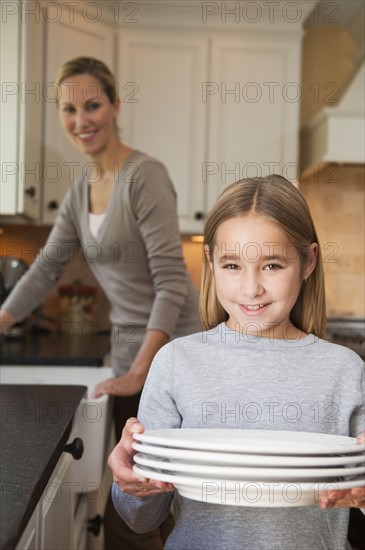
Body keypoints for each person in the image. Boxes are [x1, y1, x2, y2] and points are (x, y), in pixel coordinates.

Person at [0, 57, 201, 549]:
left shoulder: (144, 176)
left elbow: (171, 281)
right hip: (130, 354)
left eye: (92, 105)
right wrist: (1, 319)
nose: (81, 119)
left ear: (114, 105)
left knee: (166, 501)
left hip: (173, 355)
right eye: (69, 109)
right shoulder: (79, 192)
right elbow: (47, 266)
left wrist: (138, 373)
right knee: (135, 501)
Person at [108, 175, 365, 550]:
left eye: (272, 265)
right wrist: (131, 481)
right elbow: (141, 518)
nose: (250, 288)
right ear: (211, 261)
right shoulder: (178, 362)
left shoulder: (345, 370)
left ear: (308, 262)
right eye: (232, 265)